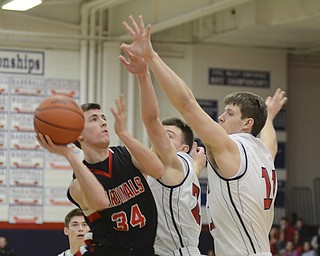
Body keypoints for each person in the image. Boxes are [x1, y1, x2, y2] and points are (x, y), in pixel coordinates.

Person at [120, 15, 288, 255]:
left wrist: (151, 57)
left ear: (246, 123)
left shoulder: (231, 148)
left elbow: (187, 104)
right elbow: (271, 143)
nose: (220, 117)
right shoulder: (263, 154)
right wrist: (269, 118)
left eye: (229, 113)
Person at [36, 97, 165, 255]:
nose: (104, 122)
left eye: (103, 118)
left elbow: (158, 170)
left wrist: (123, 133)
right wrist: (68, 155)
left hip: (145, 250)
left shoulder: (127, 154)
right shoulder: (78, 184)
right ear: (79, 135)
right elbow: (101, 201)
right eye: (94, 119)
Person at [119, 47, 206, 255]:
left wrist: (143, 76)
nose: (160, 138)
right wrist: (196, 165)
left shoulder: (175, 163)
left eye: (169, 136)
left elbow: (151, 120)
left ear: (183, 149)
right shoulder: (183, 169)